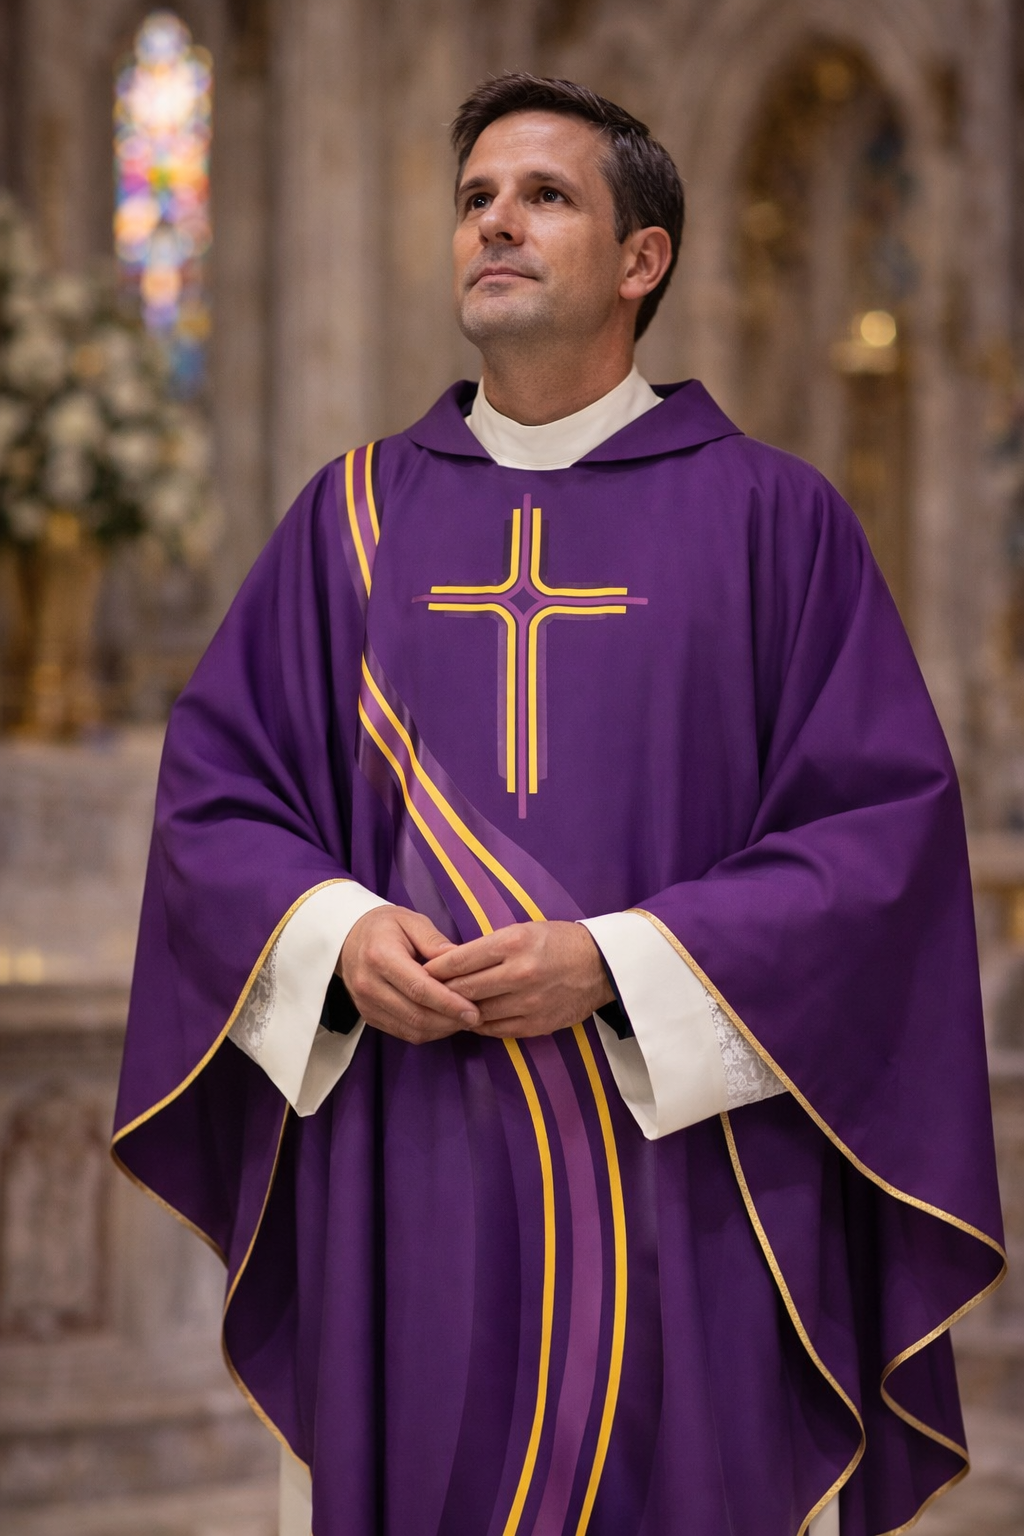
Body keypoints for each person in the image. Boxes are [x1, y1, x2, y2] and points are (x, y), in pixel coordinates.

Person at [113, 74, 1005, 1536]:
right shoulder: (351, 519)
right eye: (476, 199)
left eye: (544, 196)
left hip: (689, 1184)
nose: (497, 225)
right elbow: (214, 803)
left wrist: (617, 963)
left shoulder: (775, 523)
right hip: (413, 1165)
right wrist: (334, 937)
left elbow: (878, 844)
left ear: (641, 259)